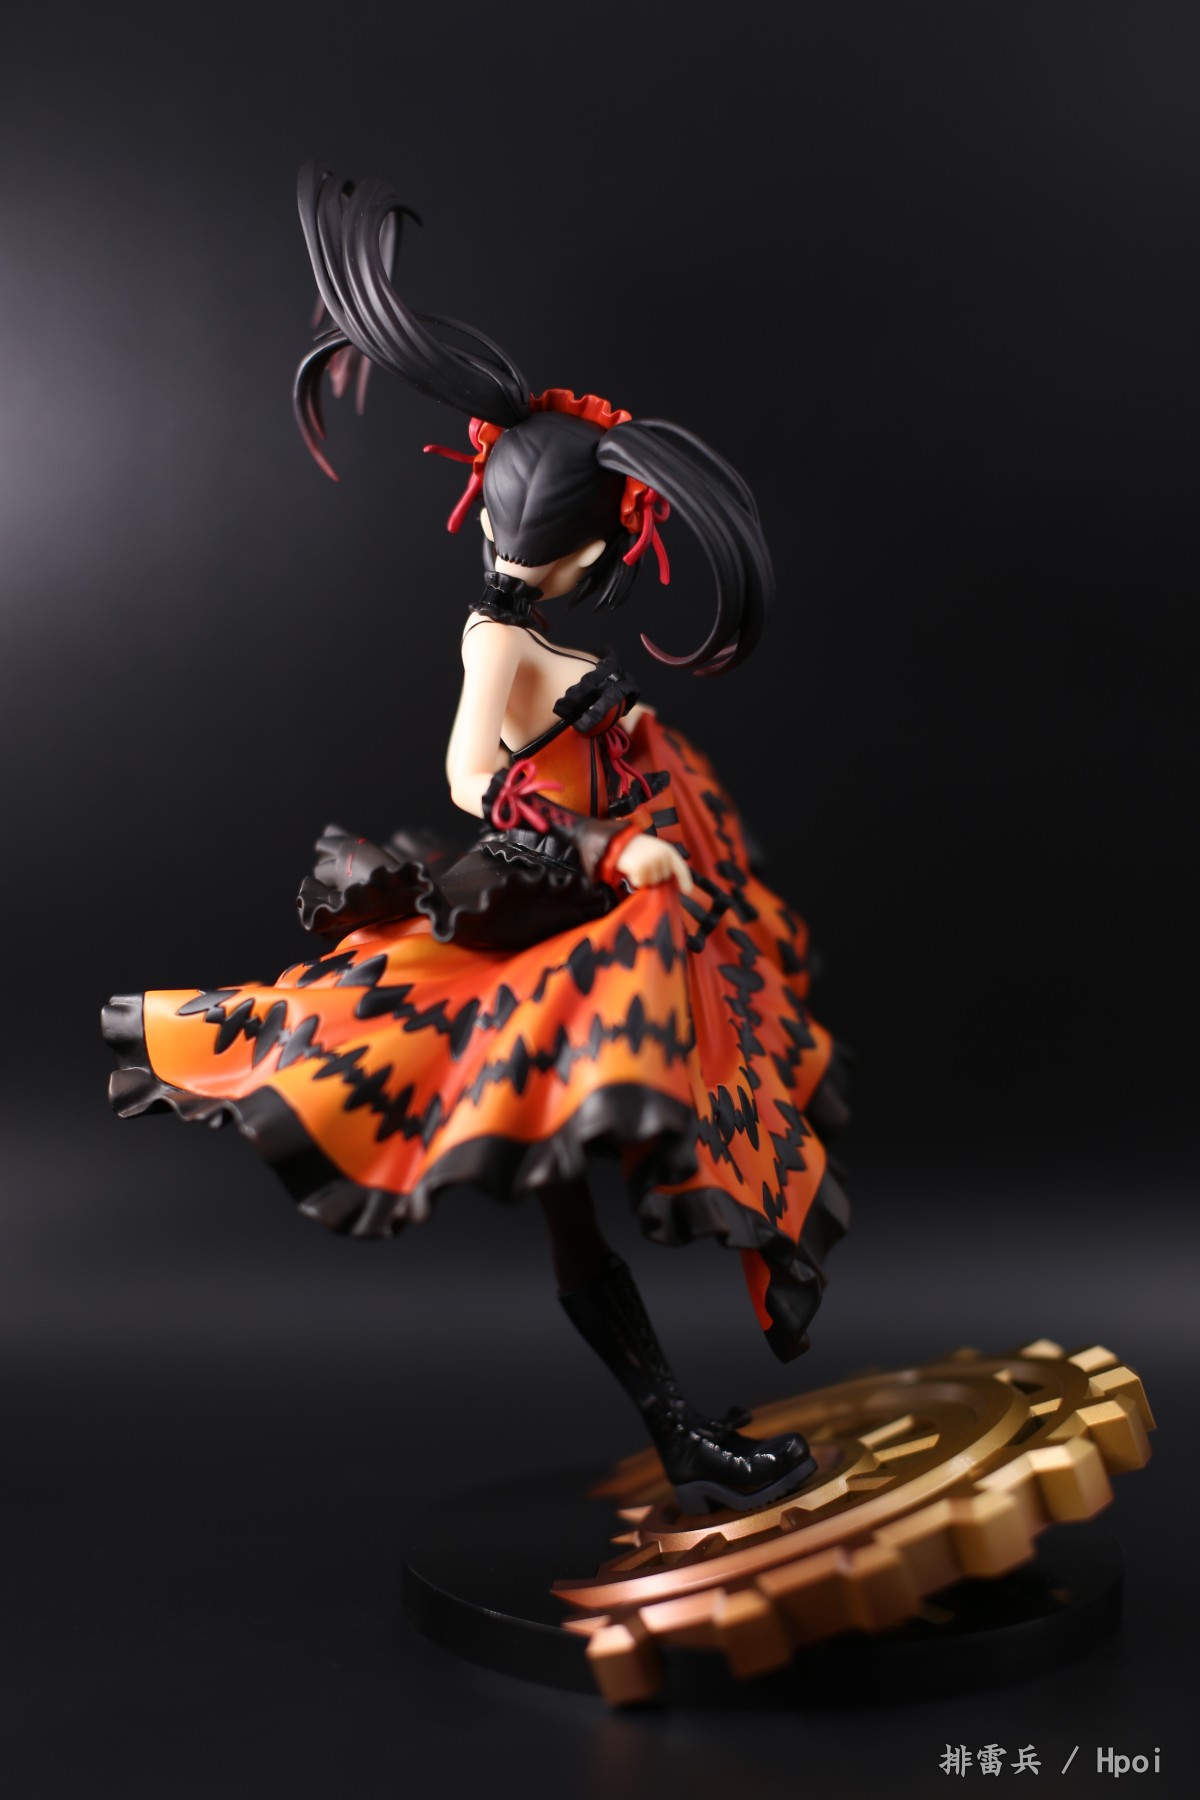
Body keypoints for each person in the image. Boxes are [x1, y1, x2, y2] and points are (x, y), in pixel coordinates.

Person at [103, 165, 851, 1513]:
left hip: (594, 920)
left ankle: (682, 1430)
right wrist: (603, 849)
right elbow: (469, 778)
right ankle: (682, 1435)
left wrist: (631, 792)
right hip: (544, 924)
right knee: (577, 1185)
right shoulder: (499, 638)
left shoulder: (532, 627)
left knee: (601, 1177)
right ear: (580, 549)